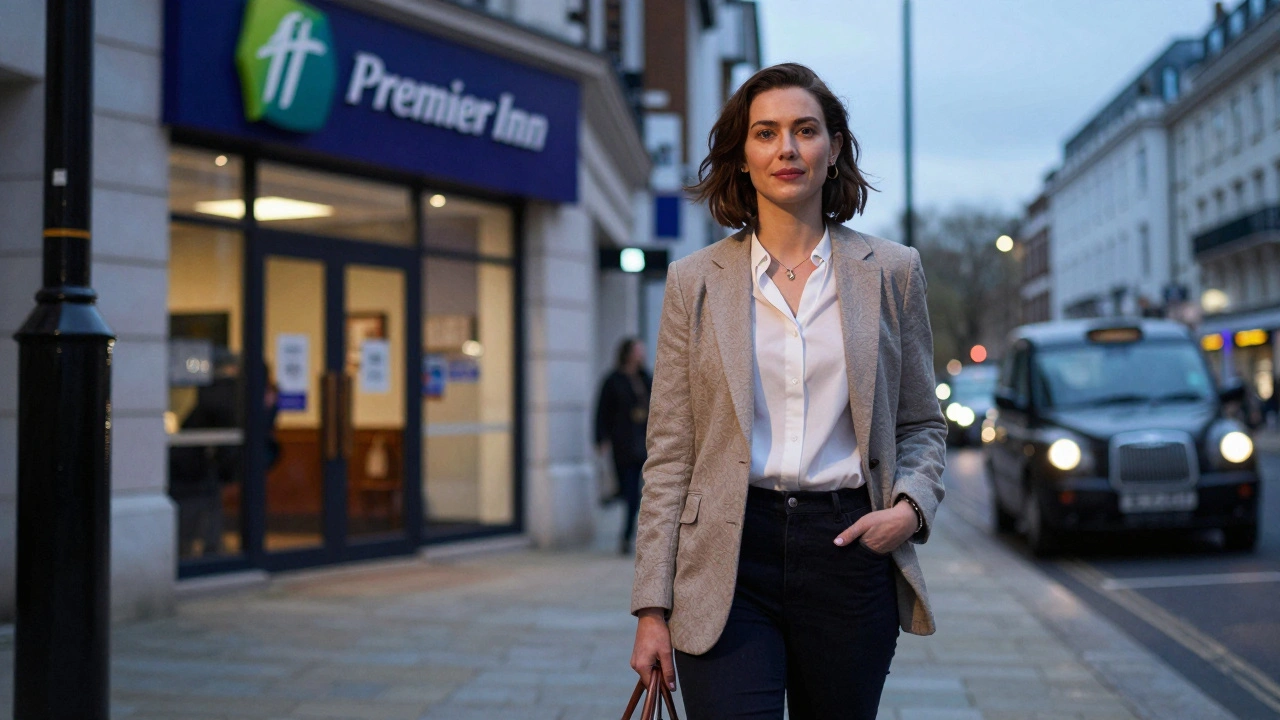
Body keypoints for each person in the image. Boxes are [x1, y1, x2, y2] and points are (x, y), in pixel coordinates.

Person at [628, 63, 947, 719]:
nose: (787, 149)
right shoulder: (695, 281)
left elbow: (922, 423)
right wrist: (651, 607)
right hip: (726, 556)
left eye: (805, 130)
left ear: (833, 148)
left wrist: (909, 509)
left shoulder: (892, 271)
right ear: (742, 156)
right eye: (766, 133)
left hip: (849, 550)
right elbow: (670, 453)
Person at [595, 338, 653, 554]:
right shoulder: (613, 380)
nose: (641, 354)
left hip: (644, 441)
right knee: (628, 490)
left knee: (636, 493)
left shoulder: (645, 378)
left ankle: (627, 536)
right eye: (637, 350)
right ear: (627, 353)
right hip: (623, 443)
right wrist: (600, 438)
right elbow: (602, 411)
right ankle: (626, 528)